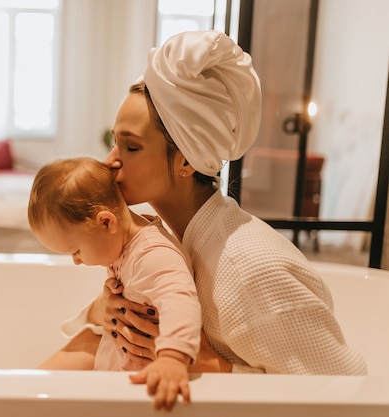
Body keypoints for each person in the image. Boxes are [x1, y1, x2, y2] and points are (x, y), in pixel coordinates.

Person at [42, 30, 367, 378]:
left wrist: (216, 366)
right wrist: (102, 312)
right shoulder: (155, 235)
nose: (109, 162)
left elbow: (345, 389)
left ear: (186, 162)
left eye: (131, 147)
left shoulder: (253, 268)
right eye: (114, 142)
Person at [28, 156, 202, 410]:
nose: (76, 261)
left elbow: (181, 301)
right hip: (117, 372)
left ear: (106, 222)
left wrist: (173, 358)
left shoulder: (153, 255)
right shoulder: (124, 244)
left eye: (75, 250)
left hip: (140, 386)